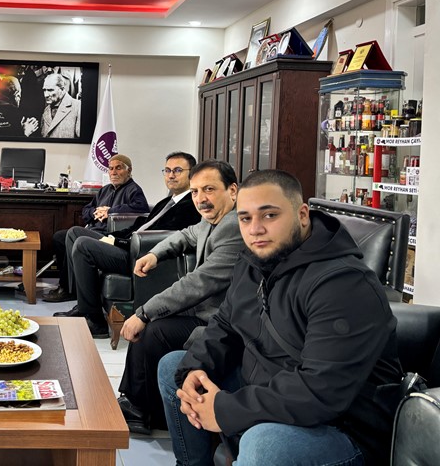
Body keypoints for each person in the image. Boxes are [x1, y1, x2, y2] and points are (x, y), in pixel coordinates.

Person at [158, 169, 402, 466]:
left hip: (341, 426)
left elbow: (321, 390)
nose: (255, 229)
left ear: (302, 215)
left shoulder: (345, 284)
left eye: (270, 215)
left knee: (266, 444)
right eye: (245, 218)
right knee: (174, 368)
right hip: (270, 388)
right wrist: (194, 369)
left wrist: (224, 410)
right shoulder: (252, 262)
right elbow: (225, 324)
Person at [116, 160, 244, 435]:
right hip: (204, 311)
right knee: (151, 325)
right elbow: (186, 235)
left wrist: (144, 312)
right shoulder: (212, 219)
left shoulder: (235, 227)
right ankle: (138, 403)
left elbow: (198, 283)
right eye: (195, 191)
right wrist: (155, 254)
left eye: (209, 189)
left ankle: (142, 409)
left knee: (152, 330)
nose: (201, 199)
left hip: (221, 323)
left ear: (232, 190)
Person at [53, 152, 202, 337]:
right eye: (167, 170)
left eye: (177, 170)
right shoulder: (168, 201)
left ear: (192, 173)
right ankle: (80, 301)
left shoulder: (191, 205)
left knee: (83, 245)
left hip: (141, 256)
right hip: (128, 245)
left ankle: (94, 320)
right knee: (75, 232)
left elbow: (164, 237)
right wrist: (113, 237)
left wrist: (119, 241)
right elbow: (140, 225)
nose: (171, 175)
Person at [43, 154, 149, 303]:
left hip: (109, 235)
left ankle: (68, 289)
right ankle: (69, 284)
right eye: (111, 169)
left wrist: (110, 211)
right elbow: (86, 210)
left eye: (118, 168)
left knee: (74, 233)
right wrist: (95, 212)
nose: (113, 172)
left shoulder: (134, 190)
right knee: (59, 237)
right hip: (94, 229)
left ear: (129, 170)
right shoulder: (105, 190)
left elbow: (141, 209)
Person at [38, 73, 82, 139]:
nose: (46, 95)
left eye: (50, 90)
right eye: (44, 90)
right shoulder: (46, 110)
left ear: (62, 89)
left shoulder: (78, 107)